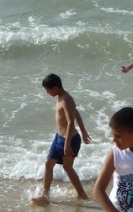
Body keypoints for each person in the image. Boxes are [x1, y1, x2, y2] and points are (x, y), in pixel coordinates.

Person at [31, 73, 91, 204]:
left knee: (68, 168)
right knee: (48, 164)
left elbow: (71, 122)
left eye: (48, 90)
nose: (47, 93)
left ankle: (82, 194)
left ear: (56, 87)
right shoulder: (60, 97)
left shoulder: (66, 99)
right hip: (58, 138)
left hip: (69, 140)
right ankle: (45, 195)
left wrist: (67, 144)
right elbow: (76, 113)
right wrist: (84, 131)